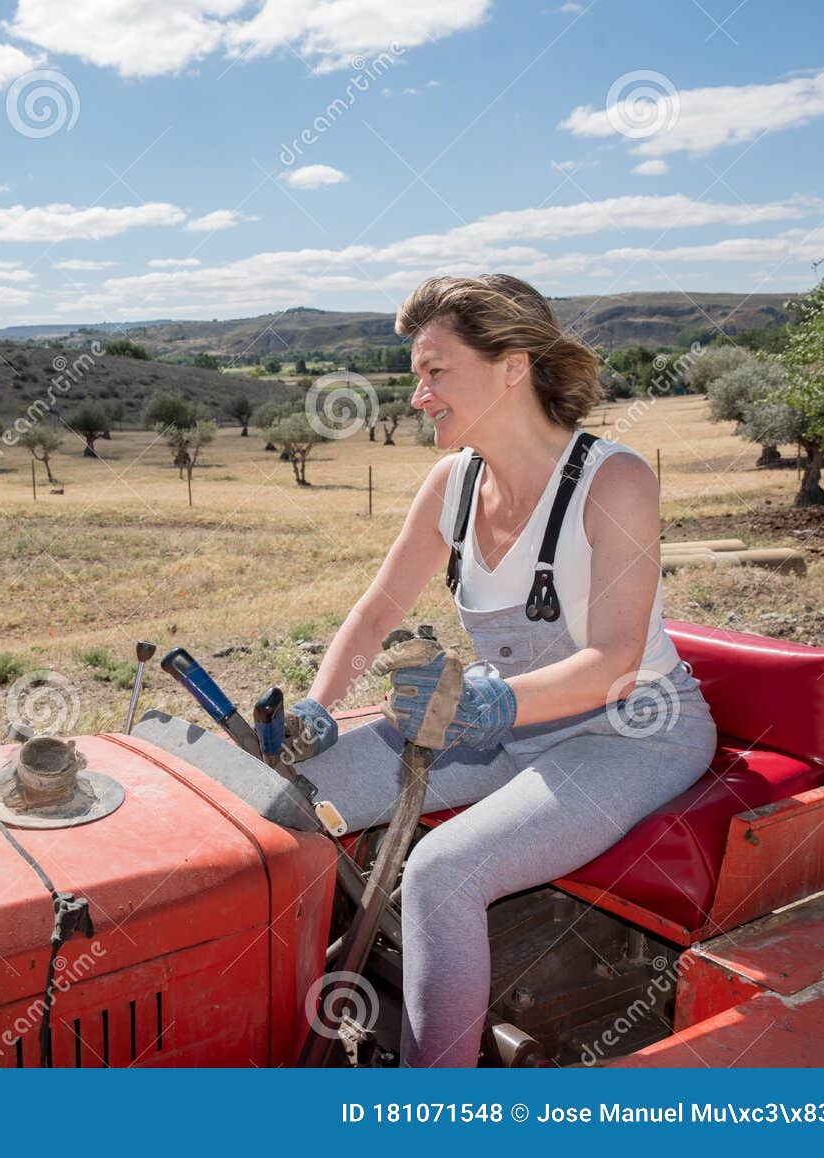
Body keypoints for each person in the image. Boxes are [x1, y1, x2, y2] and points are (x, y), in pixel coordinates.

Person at [282, 274, 717, 1067]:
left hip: (629, 733)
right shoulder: (452, 483)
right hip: (499, 725)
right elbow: (379, 609)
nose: (418, 396)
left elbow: (617, 661)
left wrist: (490, 704)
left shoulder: (614, 480)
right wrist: (317, 707)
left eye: (436, 371)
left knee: (445, 871)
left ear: (512, 366)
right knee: (293, 799)